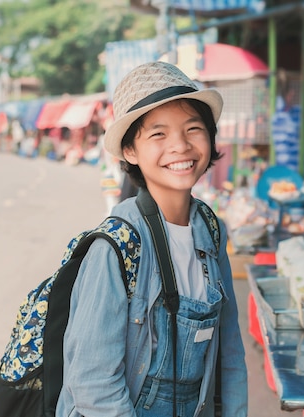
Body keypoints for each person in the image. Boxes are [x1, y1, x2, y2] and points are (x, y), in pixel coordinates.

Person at [56, 62, 248, 417]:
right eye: (158, 134)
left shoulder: (212, 229)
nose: (180, 146)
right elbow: (93, 384)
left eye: (193, 128)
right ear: (130, 151)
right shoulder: (116, 245)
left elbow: (229, 354)